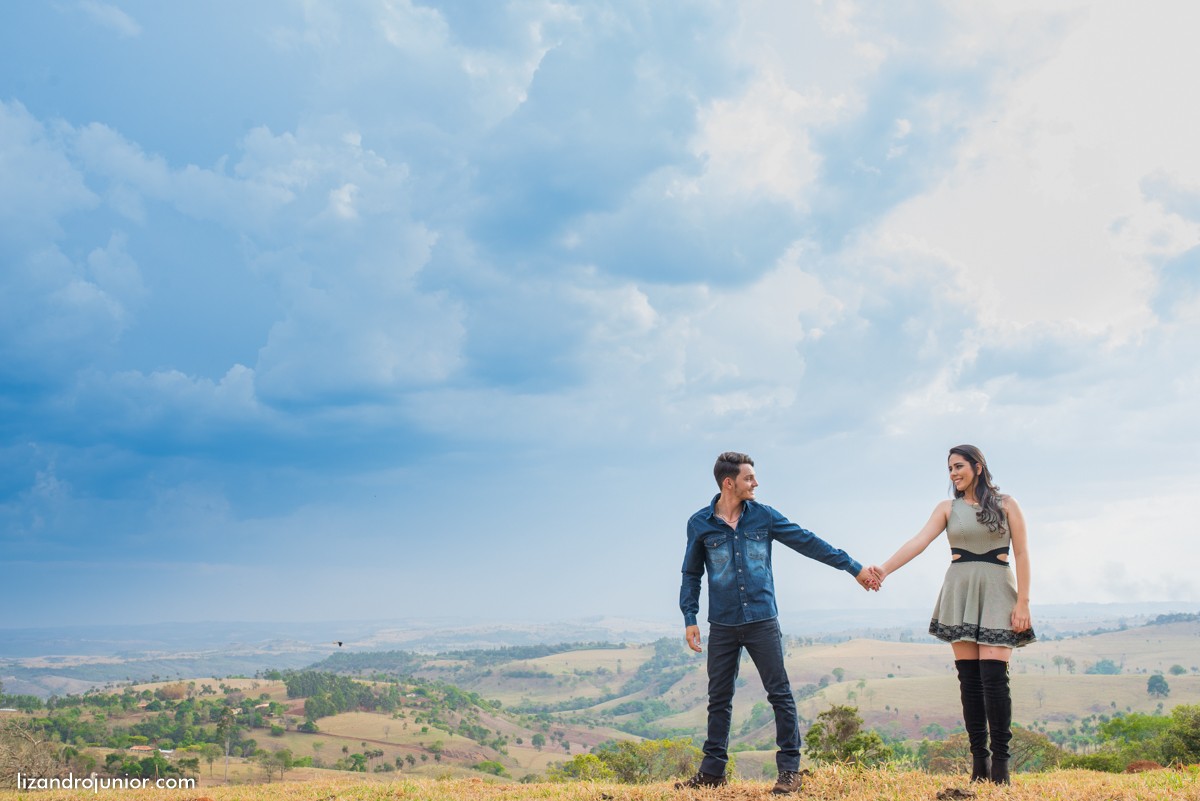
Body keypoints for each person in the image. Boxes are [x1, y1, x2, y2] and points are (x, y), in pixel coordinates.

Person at [676, 452, 880, 794]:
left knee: (780, 694)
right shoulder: (700, 524)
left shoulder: (765, 518)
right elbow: (691, 573)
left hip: (762, 621)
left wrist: (853, 567)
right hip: (723, 625)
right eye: (749, 478)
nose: (755, 483)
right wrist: (689, 617)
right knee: (718, 698)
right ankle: (713, 772)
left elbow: (809, 542)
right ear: (729, 483)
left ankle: (789, 770)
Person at [870, 445, 1034, 785]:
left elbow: (1022, 552)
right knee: (970, 683)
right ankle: (980, 765)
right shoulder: (947, 508)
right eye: (949, 469)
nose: (953, 474)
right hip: (959, 592)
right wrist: (884, 569)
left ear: (977, 467)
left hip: (997, 592)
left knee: (995, 682)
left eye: (959, 466)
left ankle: (1002, 767)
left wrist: (1024, 603)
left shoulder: (1007, 504)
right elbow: (919, 541)